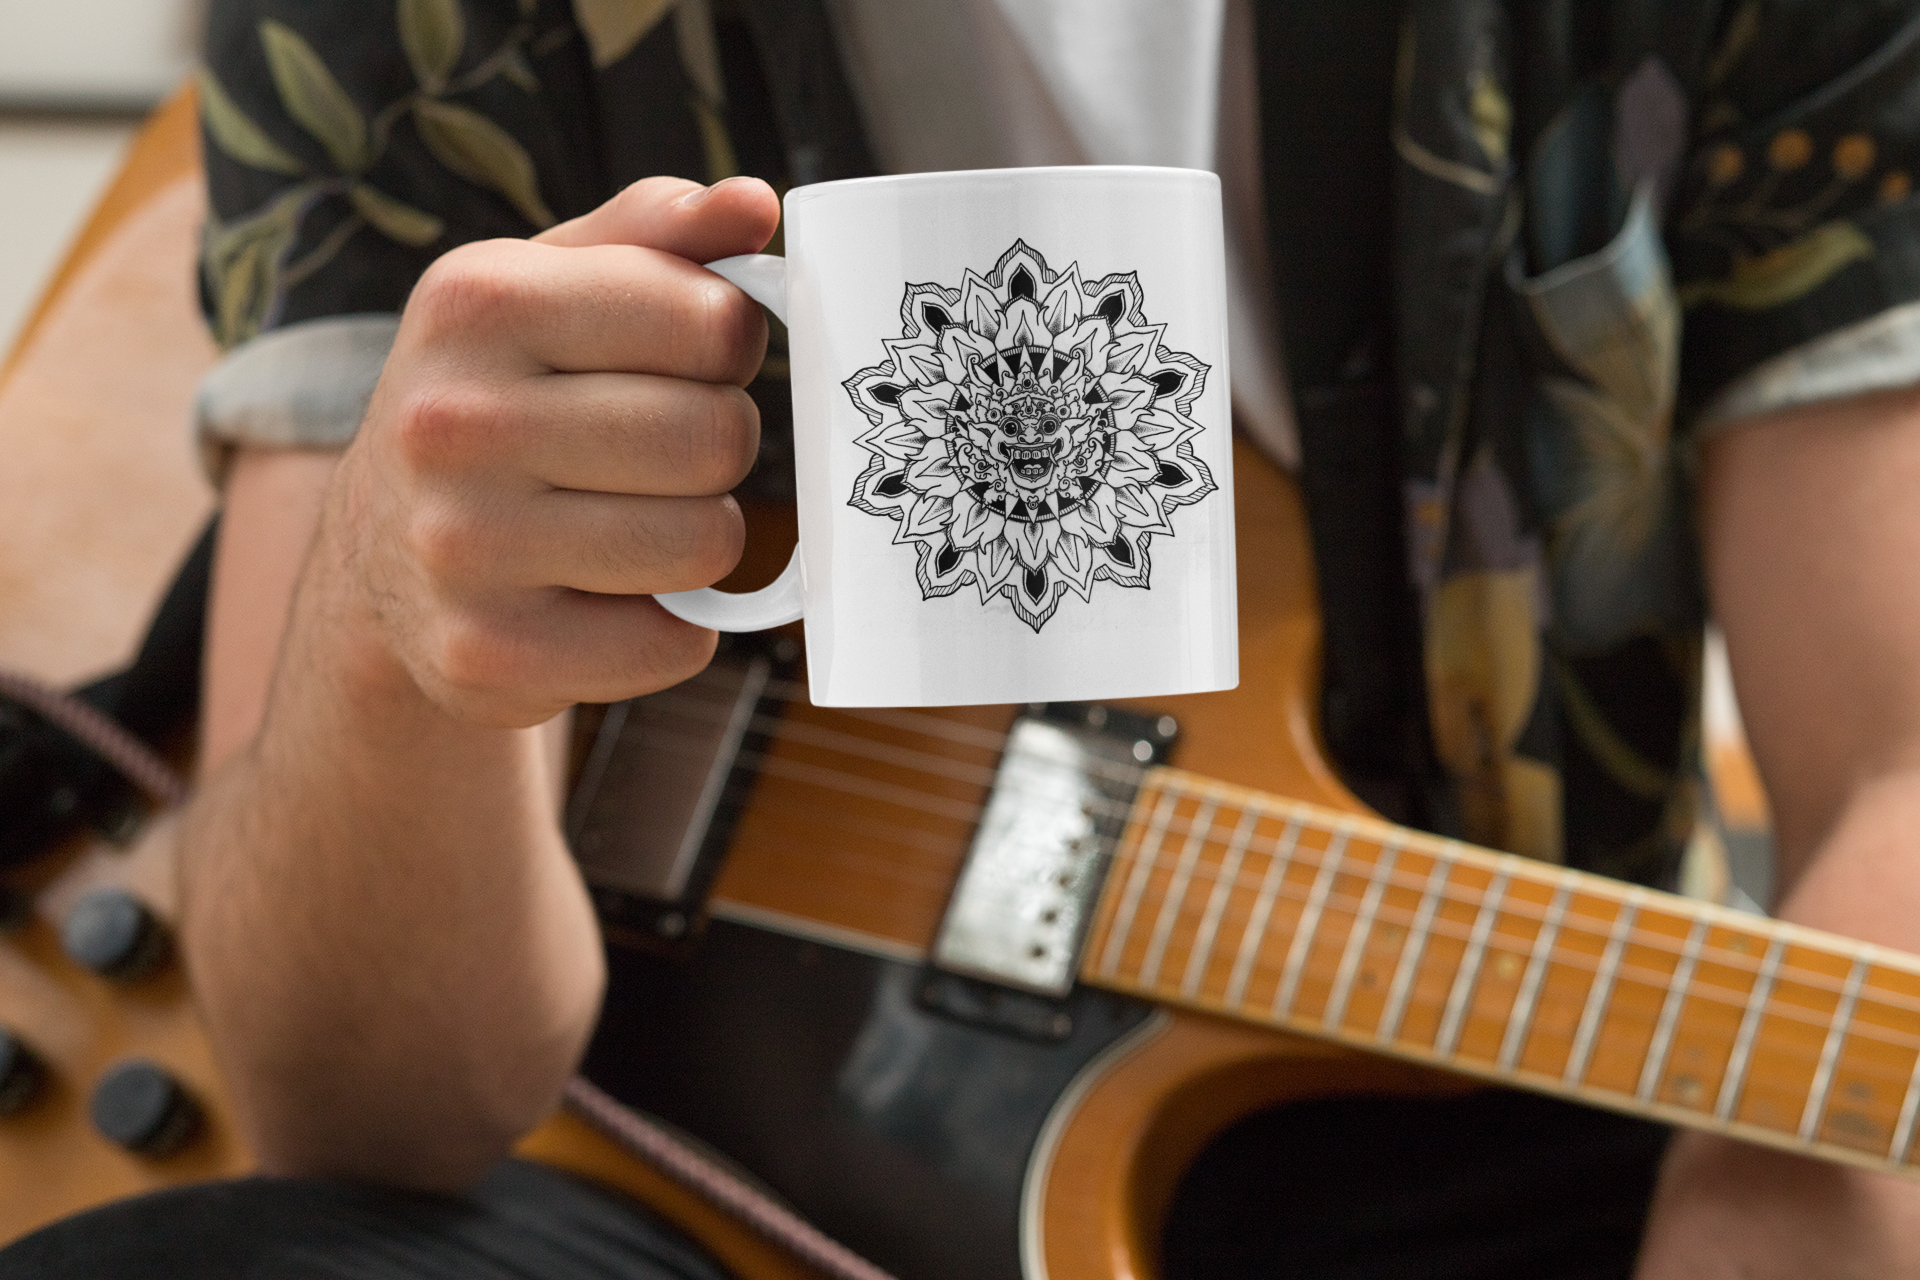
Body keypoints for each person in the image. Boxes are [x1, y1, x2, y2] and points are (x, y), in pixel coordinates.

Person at [8, 1, 1920, 1276]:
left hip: (1467, 1101)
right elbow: (344, 1102)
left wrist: (1791, 1195)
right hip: (651, 1154)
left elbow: (1898, 770)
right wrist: (386, 622)